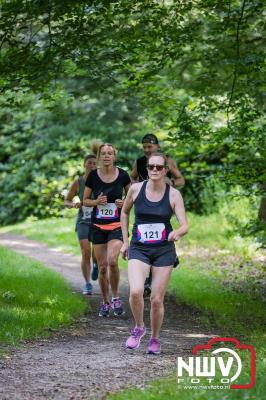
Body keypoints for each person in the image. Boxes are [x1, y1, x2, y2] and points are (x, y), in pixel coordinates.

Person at [121, 153, 188, 354]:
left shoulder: (173, 194)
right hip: (139, 248)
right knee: (135, 291)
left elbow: (185, 225)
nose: (155, 170)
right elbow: (124, 212)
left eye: (159, 167)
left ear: (166, 170)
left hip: (163, 251)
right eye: (151, 167)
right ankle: (139, 327)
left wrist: (176, 232)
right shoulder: (135, 189)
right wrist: (125, 242)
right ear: (147, 169)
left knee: (157, 299)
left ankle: (155, 339)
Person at [131, 133, 185, 296]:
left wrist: (172, 183)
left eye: (150, 147)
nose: (147, 150)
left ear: (158, 146)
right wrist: (136, 188)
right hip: (145, 201)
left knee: (164, 227)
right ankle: (146, 279)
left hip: (164, 201)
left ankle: (169, 254)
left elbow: (181, 180)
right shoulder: (140, 162)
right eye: (144, 147)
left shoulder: (167, 161)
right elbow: (131, 179)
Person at [83, 143, 131, 317]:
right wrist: (96, 202)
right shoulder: (93, 176)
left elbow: (132, 197)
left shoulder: (123, 175)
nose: (106, 156)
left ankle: (116, 297)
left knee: (112, 261)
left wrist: (123, 203)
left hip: (117, 225)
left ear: (114, 156)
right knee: (103, 267)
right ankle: (105, 302)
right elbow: (85, 200)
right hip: (98, 226)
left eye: (110, 153)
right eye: (103, 153)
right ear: (99, 157)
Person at [64, 154, 99, 295]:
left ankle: (96, 264)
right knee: (85, 252)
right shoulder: (78, 182)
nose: (92, 165)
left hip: (98, 222)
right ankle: (87, 283)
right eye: (89, 163)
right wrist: (73, 204)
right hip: (83, 222)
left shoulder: (102, 181)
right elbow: (66, 201)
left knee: (96, 253)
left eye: (94, 163)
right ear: (84, 165)